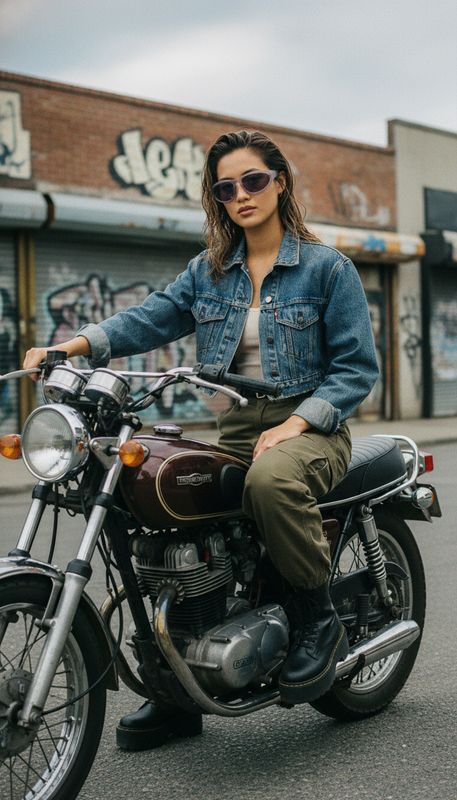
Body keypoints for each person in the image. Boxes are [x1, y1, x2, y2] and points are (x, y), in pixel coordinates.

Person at [24, 130, 379, 750]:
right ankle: (174, 687)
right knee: (150, 495)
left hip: (313, 425)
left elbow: (356, 370)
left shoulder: (328, 269)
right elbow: (149, 317)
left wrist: (295, 424)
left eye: (252, 180)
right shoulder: (210, 271)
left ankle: (317, 618)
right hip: (238, 426)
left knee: (271, 481)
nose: (240, 195)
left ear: (280, 182)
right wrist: (70, 347)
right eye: (225, 187)